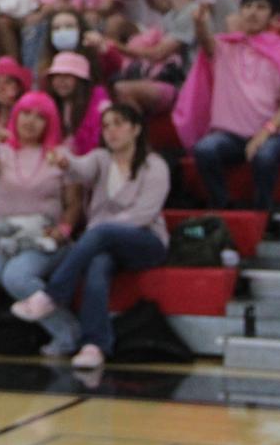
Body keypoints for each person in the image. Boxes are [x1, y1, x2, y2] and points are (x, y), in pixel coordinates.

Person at [12, 104, 170, 369]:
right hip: (105, 243)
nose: (111, 131)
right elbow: (78, 168)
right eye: (106, 125)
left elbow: (144, 214)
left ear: (136, 129)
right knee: (97, 266)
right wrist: (64, 160)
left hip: (146, 241)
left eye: (118, 123)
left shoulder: (155, 165)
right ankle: (94, 345)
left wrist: (103, 229)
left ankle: (51, 296)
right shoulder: (100, 159)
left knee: (100, 233)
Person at [176, 0, 280, 213]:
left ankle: (263, 214)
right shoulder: (224, 46)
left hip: (273, 134)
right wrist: (199, 24)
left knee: (264, 154)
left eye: (261, 7)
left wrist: (264, 132)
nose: (252, 12)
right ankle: (224, 206)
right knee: (205, 149)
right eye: (247, 6)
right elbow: (205, 40)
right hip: (231, 136)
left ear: (274, 17)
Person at [0, 92, 80, 355]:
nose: (31, 121)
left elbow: (73, 205)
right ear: (15, 116)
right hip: (3, 233)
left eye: (40, 117)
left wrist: (63, 231)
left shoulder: (60, 155)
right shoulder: (0, 151)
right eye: (26, 113)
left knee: (17, 277)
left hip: (44, 236)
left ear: (50, 123)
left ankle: (67, 332)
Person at [110, 0, 205, 115]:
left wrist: (116, 46)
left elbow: (159, 53)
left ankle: (136, 135)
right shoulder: (171, 15)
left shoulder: (191, 13)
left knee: (121, 88)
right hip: (165, 76)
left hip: (182, 82)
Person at [43, 51, 112, 157]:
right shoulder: (51, 104)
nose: (61, 81)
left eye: (67, 76)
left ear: (81, 82)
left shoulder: (100, 107)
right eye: (57, 76)